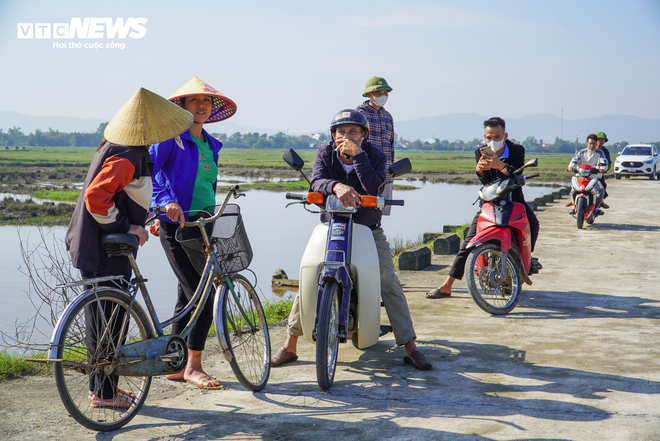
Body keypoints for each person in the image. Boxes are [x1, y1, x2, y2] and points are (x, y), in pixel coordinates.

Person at [270, 109, 432, 370]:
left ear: (364, 135)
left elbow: (373, 186)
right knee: (310, 276)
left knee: (388, 281)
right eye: (341, 131)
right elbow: (317, 181)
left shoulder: (376, 155)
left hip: (368, 228)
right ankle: (290, 345)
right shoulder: (325, 152)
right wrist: (336, 186)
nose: (346, 136)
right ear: (333, 134)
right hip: (332, 226)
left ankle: (410, 346)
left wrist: (358, 156)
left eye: (353, 131)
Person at [65, 87, 193, 408]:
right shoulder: (128, 153)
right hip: (108, 249)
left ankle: (101, 391)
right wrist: (128, 227)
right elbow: (97, 198)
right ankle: (105, 394)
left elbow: (125, 193)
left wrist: (147, 215)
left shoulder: (125, 148)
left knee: (104, 320)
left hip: (100, 246)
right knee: (110, 321)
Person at [149, 76, 237, 390]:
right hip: (177, 225)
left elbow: (206, 185)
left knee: (185, 294)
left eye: (206, 101)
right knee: (201, 293)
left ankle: (175, 363)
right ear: (182, 107)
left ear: (212, 109)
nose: (201, 106)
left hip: (205, 223)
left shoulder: (210, 144)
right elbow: (151, 172)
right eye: (194, 101)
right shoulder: (170, 137)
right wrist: (164, 204)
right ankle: (194, 366)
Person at [426, 117, 541, 299]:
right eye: (489, 137)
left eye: (497, 136)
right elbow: (487, 183)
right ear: (484, 137)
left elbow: (517, 173)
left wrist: (501, 166)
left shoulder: (517, 150)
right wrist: (480, 171)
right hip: (490, 203)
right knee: (469, 240)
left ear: (505, 135)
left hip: (514, 201)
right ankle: (447, 284)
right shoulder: (480, 152)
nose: (493, 141)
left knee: (533, 224)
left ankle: (528, 260)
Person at [357, 76, 395, 215]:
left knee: (380, 211)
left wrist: (391, 171)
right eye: (379, 93)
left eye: (385, 93)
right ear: (369, 94)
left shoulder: (387, 116)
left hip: (385, 172)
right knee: (363, 211)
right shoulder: (359, 114)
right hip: (366, 170)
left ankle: (376, 236)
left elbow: (391, 145)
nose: (383, 96)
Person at [567, 133, 609, 215]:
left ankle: (597, 207)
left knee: (600, 189)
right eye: (590, 144)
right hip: (581, 177)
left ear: (596, 143)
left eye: (593, 144)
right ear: (587, 144)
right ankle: (574, 205)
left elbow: (604, 162)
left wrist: (602, 169)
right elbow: (574, 160)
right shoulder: (581, 152)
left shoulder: (600, 153)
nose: (592, 146)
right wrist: (571, 167)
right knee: (573, 189)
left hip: (594, 177)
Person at [596, 132, 611, 209]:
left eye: (602, 140)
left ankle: (601, 201)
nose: (600, 141)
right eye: (598, 139)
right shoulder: (589, 149)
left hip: (598, 173)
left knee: (602, 185)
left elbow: (609, 164)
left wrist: (604, 171)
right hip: (587, 172)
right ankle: (574, 200)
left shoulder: (605, 151)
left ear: (604, 141)